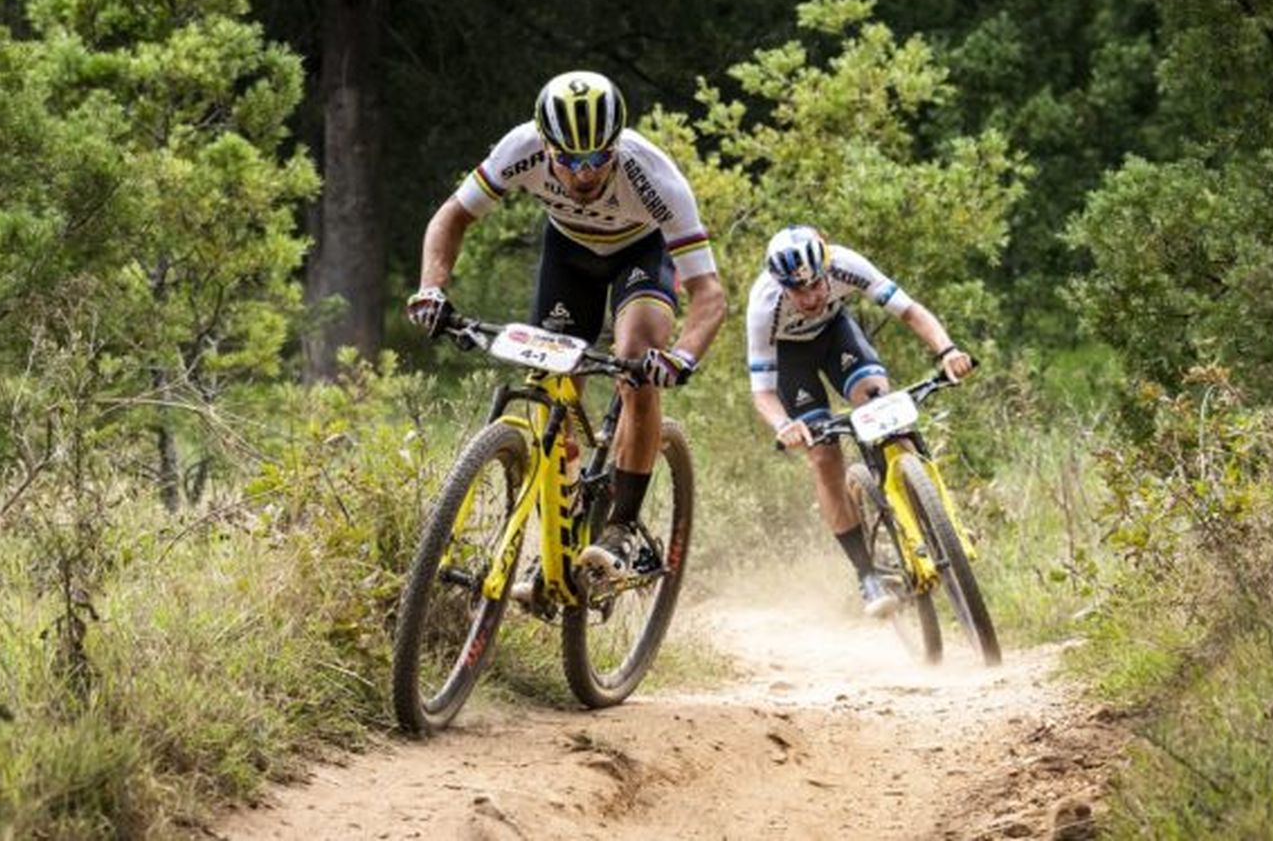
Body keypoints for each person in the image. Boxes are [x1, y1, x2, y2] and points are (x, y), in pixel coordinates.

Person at [408, 70, 726, 583]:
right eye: (569, 159)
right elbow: (451, 218)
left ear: (616, 147)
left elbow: (710, 295)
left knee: (635, 359)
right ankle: (562, 521)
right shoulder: (520, 149)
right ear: (545, 145)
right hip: (569, 256)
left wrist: (680, 356)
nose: (584, 173)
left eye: (599, 158)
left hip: (640, 255)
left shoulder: (655, 176)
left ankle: (621, 528)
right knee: (547, 380)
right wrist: (431, 289)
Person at [745, 224, 975, 616]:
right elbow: (762, 392)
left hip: (838, 339)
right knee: (824, 457)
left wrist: (947, 350)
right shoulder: (764, 306)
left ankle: (932, 512)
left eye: (816, 285)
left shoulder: (846, 264)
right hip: (791, 361)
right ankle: (866, 574)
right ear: (781, 285)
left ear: (826, 270)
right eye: (798, 291)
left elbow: (910, 311)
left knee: (884, 411)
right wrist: (784, 426)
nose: (811, 296)